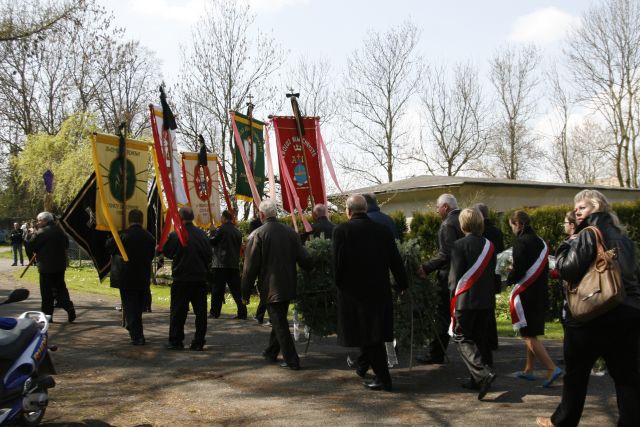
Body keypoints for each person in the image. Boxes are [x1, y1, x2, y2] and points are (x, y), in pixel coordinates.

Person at [537, 190, 640, 427]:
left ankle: (563, 421)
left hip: (592, 314)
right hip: (627, 313)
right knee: (626, 376)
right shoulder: (624, 237)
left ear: (597, 207)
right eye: (576, 208)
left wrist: (564, 246)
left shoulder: (588, 234)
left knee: (576, 374)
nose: (577, 211)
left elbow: (568, 270)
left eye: (582, 207)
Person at [334, 194, 407, 391]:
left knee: (369, 336)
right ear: (365, 209)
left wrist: (338, 285)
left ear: (348, 211)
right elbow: (395, 260)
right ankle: (364, 367)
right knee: (372, 334)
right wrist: (403, 284)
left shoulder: (342, 230)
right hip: (379, 289)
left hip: (353, 293)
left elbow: (337, 264)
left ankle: (384, 379)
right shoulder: (382, 230)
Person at [241, 199, 312, 370]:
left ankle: (292, 360)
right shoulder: (290, 233)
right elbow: (305, 260)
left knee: (279, 323)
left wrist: (245, 293)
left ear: (262, 215)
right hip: (289, 283)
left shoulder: (257, 234)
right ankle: (271, 352)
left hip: (271, 285)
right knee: (278, 319)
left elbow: (250, 268)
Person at [506, 211, 562, 386]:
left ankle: (552, 368)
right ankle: (529, 369)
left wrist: (508, 277)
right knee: (531, 332)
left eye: (513, 226)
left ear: (519, 224)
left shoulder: (520, 242)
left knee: (528, 335)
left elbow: (520, 270)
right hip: (540, 292)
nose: (512, 230)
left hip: (527, 294)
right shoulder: (540, 241)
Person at [449, 208, 497, 399]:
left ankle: (483, 374)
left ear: (463, 224)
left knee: (461, 337)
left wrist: (451, 295)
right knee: (480, 339)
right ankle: (479, 377)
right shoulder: (490, 245)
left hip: (465, 299)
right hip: (486, 300)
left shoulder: (459, 245)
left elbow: (454, 277)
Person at [417, 193, 463, 364]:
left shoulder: (448, 224)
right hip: (466, 276)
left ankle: (436, 353)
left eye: (438, 207)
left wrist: (426, 267)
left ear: (445, 207)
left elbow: (446, 254)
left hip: (449, 277)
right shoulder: (464, 220)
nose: (437, 211)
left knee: (443, 316)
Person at [162, 207, 213, 351]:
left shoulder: (176, 234)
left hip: (182, 277)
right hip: (199, 278)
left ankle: (176, 340)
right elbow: (209, 255)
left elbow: (167, 252)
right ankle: (199, 341)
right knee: (200, 312)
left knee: (178, 311)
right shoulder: (203, 235)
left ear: (180, 218)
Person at [106, 209, 155, 345]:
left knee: (130, 306)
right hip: (142, 275)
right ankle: (132, 326)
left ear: (129, 220)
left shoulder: (122, 235)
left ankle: (137, 336)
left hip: (126, 275)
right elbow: (151, 256)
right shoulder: (149, 237)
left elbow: (109, 246)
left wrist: (112, 233)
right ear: (141, 220)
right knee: (138, 306)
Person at [24, 212, 76, 322]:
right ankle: (68, 306)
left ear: (44, 221)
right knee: (61, 288)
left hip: (46, 267)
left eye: (39, 221)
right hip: (59, 266)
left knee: (46, 292)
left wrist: (29, 235)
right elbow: (66, 245)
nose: (37, 223)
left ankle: (47, 315)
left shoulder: (40, 232)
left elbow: (30, 247)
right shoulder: (60, 231)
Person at [474, 203, 505, 351]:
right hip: (494, 274)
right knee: (490, 310)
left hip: (481, 275)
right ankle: (492, 341)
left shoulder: (480, 233)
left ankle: (484, 341)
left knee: (482, 311)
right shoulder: (497, 232)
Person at [209, 210, 246, 320]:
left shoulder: (221, 229)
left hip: (220, 264)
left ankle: (215, 312)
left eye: (221, 216)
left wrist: (211, 232)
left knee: (217, 290)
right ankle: (242, 312)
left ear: (224, 218)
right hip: (233, 264)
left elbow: (213, 242)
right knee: (236, 290)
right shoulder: (237, 231)